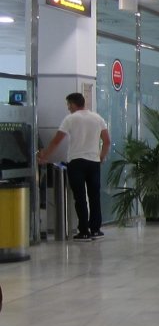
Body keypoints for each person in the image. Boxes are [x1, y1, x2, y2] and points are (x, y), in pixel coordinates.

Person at [36, 92, 110, 241]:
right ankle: (96, 229)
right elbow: (107, 141)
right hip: (93, 162)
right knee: (94, 196)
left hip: (76, 162)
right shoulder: (98, 118)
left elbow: (57, 140)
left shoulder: (70, 119)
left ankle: (84, 231)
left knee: (80, 197)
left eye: (69, 104)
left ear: (73, 104)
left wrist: (45, 156)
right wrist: (101, 157)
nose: (68, 107)